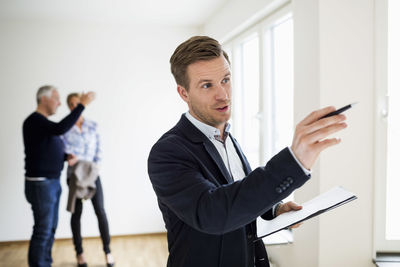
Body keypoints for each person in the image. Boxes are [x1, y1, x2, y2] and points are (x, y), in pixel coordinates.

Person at [147, 36, 347, 267]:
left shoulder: (228, 138)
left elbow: (238, 193)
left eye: (225, 80)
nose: (223, 94)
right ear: (184, 93)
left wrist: (274, 208)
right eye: (207, 85)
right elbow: (214, 213)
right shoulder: (167, 153)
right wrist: (294, 161)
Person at [23, 85, 95, 267]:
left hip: (51, 183)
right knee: (43, 230)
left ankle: (45, 263)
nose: (59, 102)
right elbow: (60, 128)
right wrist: (82, 105)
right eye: (56, 98)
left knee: (50, 229)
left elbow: (43, 150)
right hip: (41, 185)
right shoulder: (34, 121)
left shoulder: (43, 124)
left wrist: (64, 157)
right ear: (44, 99)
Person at [62, 93, 115, 267]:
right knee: (76, 214)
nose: (73, 106)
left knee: (100, 210)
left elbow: (99, 150)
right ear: (68, 106)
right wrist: (68, 157)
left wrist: (95, 168)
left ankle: (107, 251)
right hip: (74, 176)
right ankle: (80, 254)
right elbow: (64, 152)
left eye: (76, 103)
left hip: (92, 174)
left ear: (82, 104)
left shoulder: (92, 126)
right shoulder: (64, 128)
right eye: (70, 104)